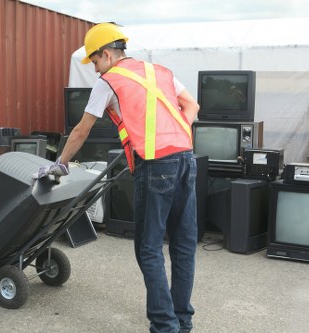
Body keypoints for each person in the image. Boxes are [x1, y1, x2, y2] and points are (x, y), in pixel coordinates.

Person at [35, 23, 200, 333]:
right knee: (182, 245)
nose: (96, 70)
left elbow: (82, 129)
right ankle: (182, 322)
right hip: (186, 159)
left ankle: (165, 327)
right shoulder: (160, 72)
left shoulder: (108, 82)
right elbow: (192, 106)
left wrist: (61, 164)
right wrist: (177, 134)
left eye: (95, 62)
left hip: (155, 164)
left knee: (149, 248)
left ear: (107, 55)